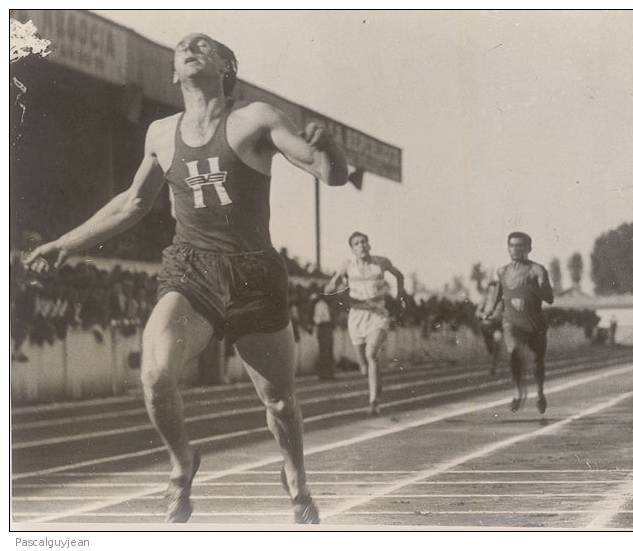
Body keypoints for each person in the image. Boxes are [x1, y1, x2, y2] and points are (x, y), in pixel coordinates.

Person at [24, 33, 348, 523]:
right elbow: (133, 204)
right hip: (190, 268)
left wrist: (334, 150)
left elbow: (328, 173)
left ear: (225, 65)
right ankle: (182, 464)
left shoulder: (255, 118)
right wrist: (64, 244)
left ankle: (296, 479)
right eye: (182, 47)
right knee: (155, 376)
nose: (189, 48)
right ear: (173, 73)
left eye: (202, 44)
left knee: (279, 401)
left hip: (253, 274)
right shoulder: (159, 132)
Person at [324, 232, 405, 415]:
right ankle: (375, 381)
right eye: (356, 243)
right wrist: (334, 289)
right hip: (357, 318)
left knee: (371, 353)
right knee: (363, 365)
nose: (361, 245)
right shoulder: (347, 265)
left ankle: (374, 402)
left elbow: (400, 276)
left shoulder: (381, 262)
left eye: (363, 242)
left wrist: (400, 298)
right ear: (352, 249)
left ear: (369, 244)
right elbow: (331, 286)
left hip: (378, 316)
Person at [482, 232, 554, 413]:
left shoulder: (537, 270)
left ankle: (540, 392)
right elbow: (498, 294)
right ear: (508, 248)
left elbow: (550, 298)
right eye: (513, 245)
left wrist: (537, 287)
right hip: (512, 321)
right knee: (513, 352)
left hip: (534, 321)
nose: (516, 249)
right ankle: (517, 392)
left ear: (529, 248)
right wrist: (489, 310)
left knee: (538, 362)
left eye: (521, 246)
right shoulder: (502, 271)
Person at [474, 280, 503, 375]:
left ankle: (493, 367)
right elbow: (477, 312)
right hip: (486, 327)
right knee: (490, 348)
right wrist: (483, 315)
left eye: (495, 292)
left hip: (497, 326)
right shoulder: (485, 300)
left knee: (497, 342)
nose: (493, 294)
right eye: (491, 291)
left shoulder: (502, 302)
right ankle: (493, 360)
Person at [312, 291, 336, 380]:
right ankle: (322, 374)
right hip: (323, 327)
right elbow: (317, 320)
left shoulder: (325, 305)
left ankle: (329, 374)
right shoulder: (320, 305)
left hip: (327, 327)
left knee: (328, 350)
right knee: (324, 351)